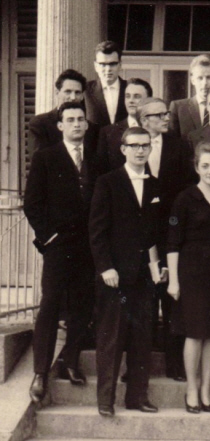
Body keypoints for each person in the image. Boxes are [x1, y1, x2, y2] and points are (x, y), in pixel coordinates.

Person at [24, 101, 98, 403]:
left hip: (88, 247)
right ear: (60, 126)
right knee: (51, 303)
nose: (77, 124)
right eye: (70, 120)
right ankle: (40, 371)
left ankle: (71, 360)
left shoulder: (96, 159)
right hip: (58, 245)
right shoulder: (46, 158)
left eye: (81, 119)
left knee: (82, 304)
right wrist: (49, 238)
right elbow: (32, 203)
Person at [89, 126, 163, 417]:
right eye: (134, 145)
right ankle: (105, 400)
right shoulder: (107, 183)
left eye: (145, 145)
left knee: (142, 337)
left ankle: (137, 397)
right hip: (115, 274)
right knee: (111, 337)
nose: (141, 150)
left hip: (146, 276)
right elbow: (97, 231)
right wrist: (106, 266)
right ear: (123, 149)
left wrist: (161, 267)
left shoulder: (156, 185)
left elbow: (157, 232)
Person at [166, 143, 210, 413]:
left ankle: (206, 390)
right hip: (191, 272)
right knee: (195, 333)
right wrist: (173, 280)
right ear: (196, 167)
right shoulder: (184, 199)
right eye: (205, 165)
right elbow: (172, 242)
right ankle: (191, 389)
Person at [138, 97, 196, 382]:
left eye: (165, 113)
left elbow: (187, 184)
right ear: (143, 121)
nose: (165, 118)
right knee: (143, 301)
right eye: (158, 115)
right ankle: (140, 366)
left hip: (172, 232)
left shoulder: (178, 145)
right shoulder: (133, 146)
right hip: (141, 234)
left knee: (173, 300)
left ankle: (176, 365)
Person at [28, 69, 99, 156]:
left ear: (82, 96)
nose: (73, 97)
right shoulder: (40, 124)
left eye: (77, 92)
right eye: (68, 92)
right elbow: (38, 162)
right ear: (57, 93)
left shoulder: (92, 129)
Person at [96, 78, 153, 174]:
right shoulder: (108, 133)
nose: (131, 101)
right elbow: (101, 171)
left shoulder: (160, 131)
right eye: (127, 96)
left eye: (137, 96)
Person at [169, 54, 210, 139]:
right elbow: (172, 141)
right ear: (192, 80)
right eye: (200, 78)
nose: (204, 83)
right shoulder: (178, 107)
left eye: (209, 77)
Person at [84, 41, 128, 127]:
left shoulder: (130, 89)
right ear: (96, 66)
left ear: (120, 65)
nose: (108, 69)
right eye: (103, 64)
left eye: (113, 64)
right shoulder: (85, 90)